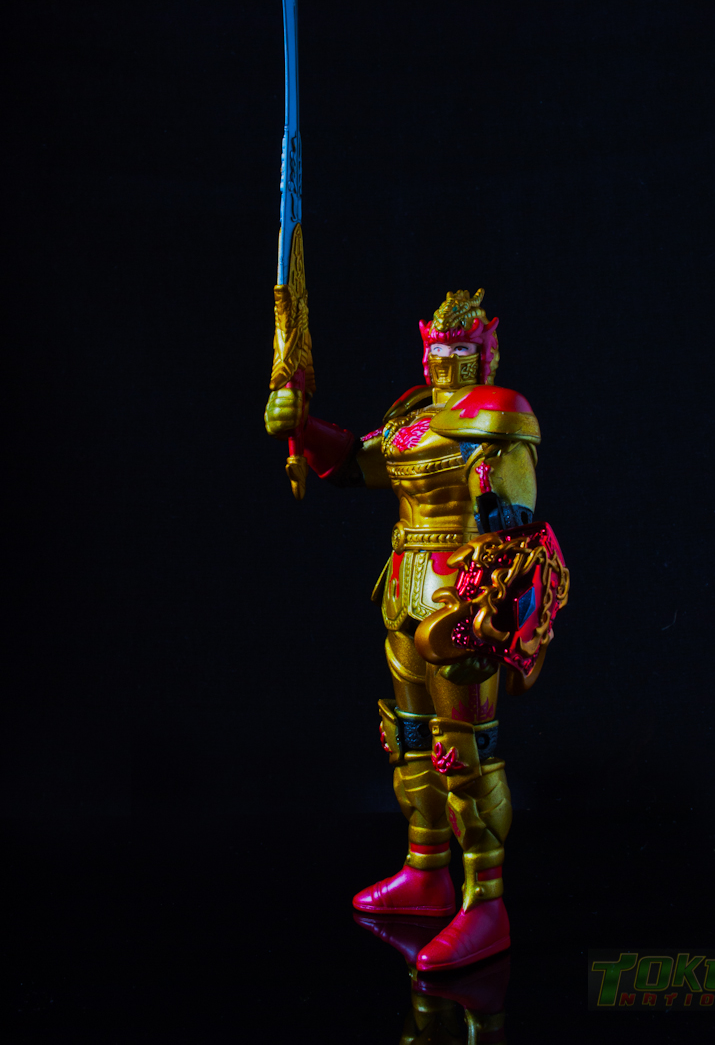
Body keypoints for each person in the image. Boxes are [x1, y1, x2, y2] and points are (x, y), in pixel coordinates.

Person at [265, 289, 549, 970]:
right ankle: (426, 872)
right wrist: (301, 425)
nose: (448, 358)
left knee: (463, 751)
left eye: (462, 348)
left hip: (465, 595)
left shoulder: (499, 414)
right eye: (439, 347)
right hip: (403, 588)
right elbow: (353, 464)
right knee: (410, 740)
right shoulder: (411, 420)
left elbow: (516, 513)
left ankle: (486, 903)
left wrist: (497, 523)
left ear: (486, 352)